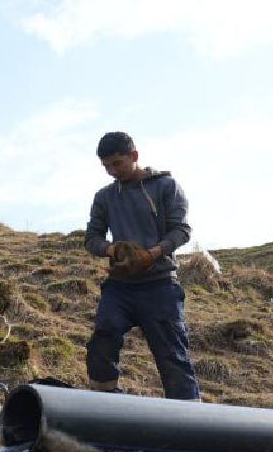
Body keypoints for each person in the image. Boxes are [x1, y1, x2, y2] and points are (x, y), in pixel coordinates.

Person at [83, 131, 200, 401]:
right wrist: (113, 249)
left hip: (160, 285)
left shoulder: (166, 186)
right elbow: (92, 238)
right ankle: (105, 402)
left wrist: (151, 254)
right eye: (106, 167)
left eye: (117, 164)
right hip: (120, 286)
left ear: (134, 156)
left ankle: (187, 412)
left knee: (172, 353)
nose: (112, 171)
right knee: (103, 336)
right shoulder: (104, 197)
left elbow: (181, 231)